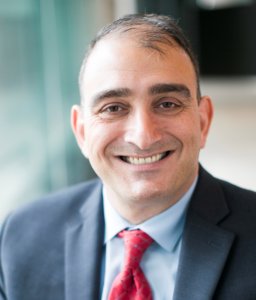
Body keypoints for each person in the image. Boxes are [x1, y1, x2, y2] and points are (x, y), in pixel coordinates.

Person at [0, 13, 256, 300]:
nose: (143, 136)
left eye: (167, 103)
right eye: (113, 108)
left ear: (203, 121)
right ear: (81, 132)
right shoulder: (20, 239)